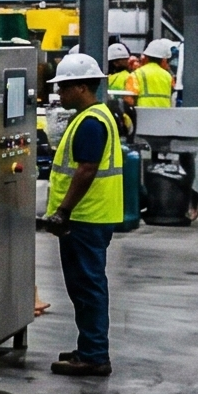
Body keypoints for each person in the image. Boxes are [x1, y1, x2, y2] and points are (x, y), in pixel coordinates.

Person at [43, 50, 127, 377]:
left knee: (88, 287)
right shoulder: (94, 116)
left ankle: (94, 355)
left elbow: (86, 169)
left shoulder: (91, 122)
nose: (59, 92)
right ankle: (89, 346)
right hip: (91, 217)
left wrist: (63, 211)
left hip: (85, 218)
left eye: (64, 87)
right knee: (84, 286)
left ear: (81, 87)